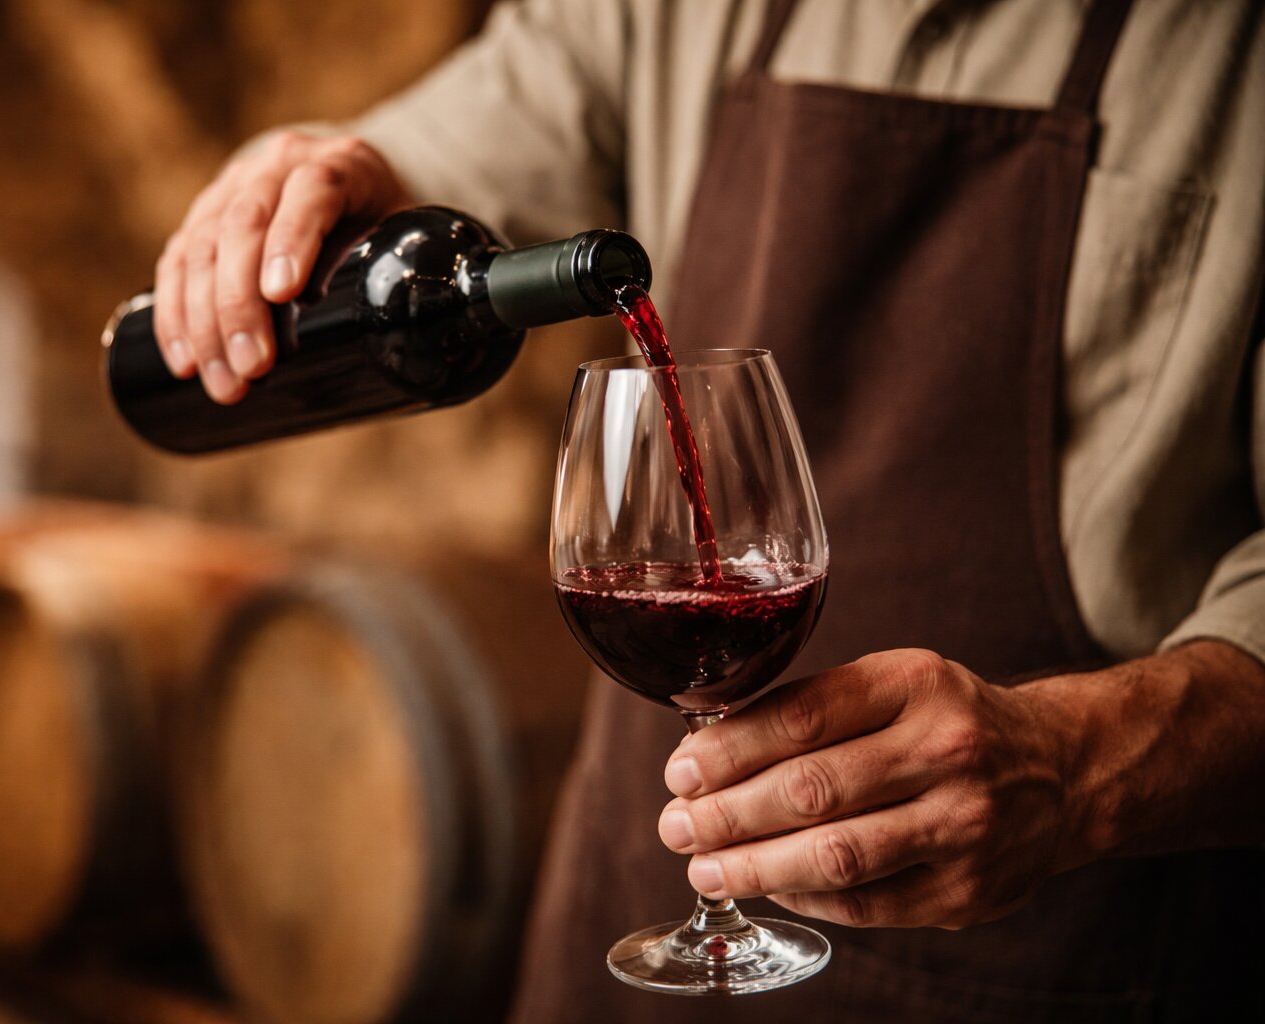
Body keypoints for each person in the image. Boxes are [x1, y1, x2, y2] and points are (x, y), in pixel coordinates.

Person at [151, 0, 1265, 1018]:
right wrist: (331, 177)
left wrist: (1076, 770)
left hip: (1063, 946)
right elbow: (466, 134)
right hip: (636, 918)